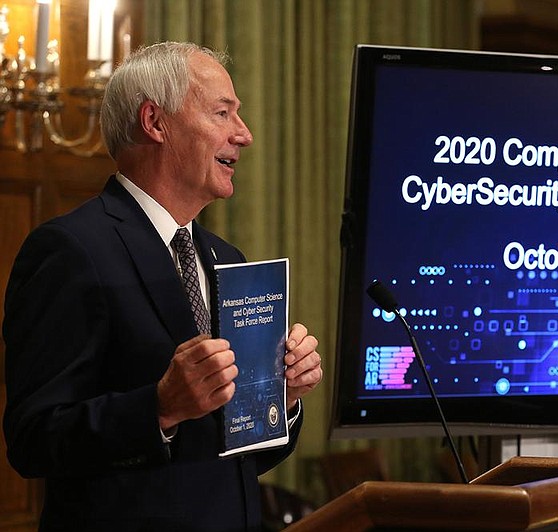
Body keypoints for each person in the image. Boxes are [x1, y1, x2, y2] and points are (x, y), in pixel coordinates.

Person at [2, 41, 323, 531]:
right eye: (223, 113)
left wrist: (284, 397)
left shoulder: (226, 259)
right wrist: (159, 408)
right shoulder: (70, 250)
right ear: (156, 123)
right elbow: (33, 439)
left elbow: (235, 461)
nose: (245, 134)